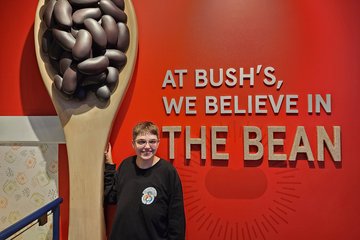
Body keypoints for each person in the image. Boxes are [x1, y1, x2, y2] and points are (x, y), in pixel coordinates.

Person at [104, 121, 186, 240]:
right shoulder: (126, 166)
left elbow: (176, 220)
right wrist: (109, 165)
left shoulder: (168, 172)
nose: (147, 147)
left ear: (158, 143)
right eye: (141, 141)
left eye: (152, 141)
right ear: (133, 144)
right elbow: (111, 197)